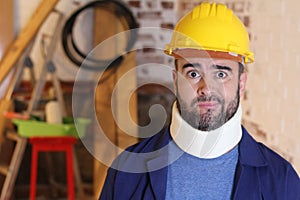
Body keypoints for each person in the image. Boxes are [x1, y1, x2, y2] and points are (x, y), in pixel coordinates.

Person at [99, 2, 300, 199]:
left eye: (221, 74)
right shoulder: (126, 171)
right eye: (193, 73)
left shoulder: (281, 180)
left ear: (241, 82)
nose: (206, 88)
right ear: (176, 80)